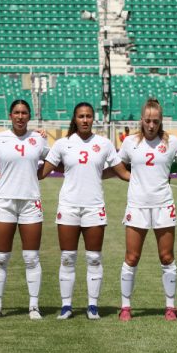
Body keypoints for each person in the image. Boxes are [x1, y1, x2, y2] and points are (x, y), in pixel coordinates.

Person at [38, 102, 130, 320]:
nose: (85, 120)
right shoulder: (62, 144)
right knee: (68, 258)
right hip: (68, 206)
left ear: (93, 119)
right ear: (75, 118)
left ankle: (92, 306)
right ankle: (66, 306)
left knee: (94, 258)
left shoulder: (104, 144)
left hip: (94, 207)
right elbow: (42, 172)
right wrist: (35, 141)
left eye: (89, 116)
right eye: (81, 116)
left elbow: (122, 173)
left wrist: (150, 179)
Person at [117, 98, 177, 321]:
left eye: (156, 121)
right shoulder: (130, 142)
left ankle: (170, 306)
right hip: (137, 205)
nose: (151, 125)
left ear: (161, 121)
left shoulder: (172, 142)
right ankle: (125, 307)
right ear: (142, 120)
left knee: (167, 256)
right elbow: (118, 165)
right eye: (148, 120)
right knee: (131, 257)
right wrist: (130, 178)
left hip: (164, 205)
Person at [0, 100, 50, 320]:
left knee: (31, 258)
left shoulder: (38, 139)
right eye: (16, 113)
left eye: (24, 113)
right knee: (1, 257)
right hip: (4, 202)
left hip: (30, 202)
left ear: (29, 116)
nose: (20, 116)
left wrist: (39, 175)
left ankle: (33, 306)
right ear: (10, 115)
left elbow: (54, 158)